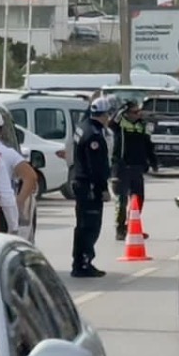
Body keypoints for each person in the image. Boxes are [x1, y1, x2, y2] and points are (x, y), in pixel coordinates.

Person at [70, 97, 115, 278]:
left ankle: (79, 261)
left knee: (82, 225)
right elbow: (95, 167)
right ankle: (83, 262)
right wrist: (102, 188)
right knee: (90, 226)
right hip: (89, 186)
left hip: (80, 182)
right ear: (104, 114)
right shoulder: (94, 135)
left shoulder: (82, 126)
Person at [0, 108, 42, 230]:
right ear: (1, 131)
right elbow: (31, 177)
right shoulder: (8, 154)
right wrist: (19, 202)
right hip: (1, 211)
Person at [111, 98, 157, 241]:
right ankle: (120, 228)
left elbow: (148, 145)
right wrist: (120, 110)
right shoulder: (120, 124)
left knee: (138, 199)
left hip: (137, 168)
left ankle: (132, 226)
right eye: (134, 112)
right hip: (122, 167)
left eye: (139, 111)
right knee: (122, 199)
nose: (138, 114)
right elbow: (111, 123)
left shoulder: (142, 126)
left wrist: (153, 162)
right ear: (126, 113)